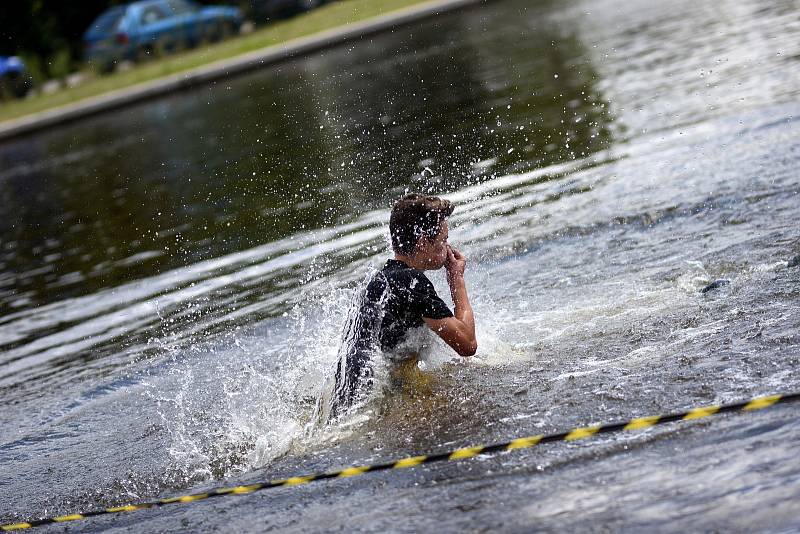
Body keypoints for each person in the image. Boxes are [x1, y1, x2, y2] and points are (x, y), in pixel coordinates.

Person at [329, 193, 477, 418]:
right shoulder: (411, 283)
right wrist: (456, 279)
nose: (448, 248)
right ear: (421, 243)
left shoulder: (382, 280)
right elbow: (467, 344)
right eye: (442, 241)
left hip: (349, 396)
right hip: (367, 402)